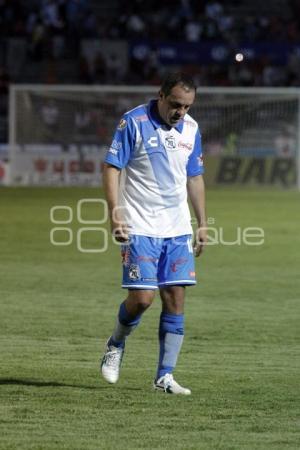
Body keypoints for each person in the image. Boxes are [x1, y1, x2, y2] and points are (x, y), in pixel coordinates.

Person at [101, 72, 207, 395]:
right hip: (140, 225)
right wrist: (114, 211)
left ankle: (165, 376)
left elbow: (195, 177)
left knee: (175, 297)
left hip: (176, 227)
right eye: (176, 104)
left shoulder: (192, 130)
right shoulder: (133, 122)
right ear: (160, 95)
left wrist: (202, 222)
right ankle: (116, 343)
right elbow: (111, 167)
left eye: (187, 107)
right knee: (143, 299)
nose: (181, 112)